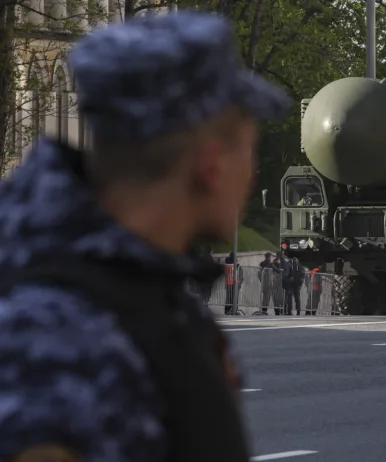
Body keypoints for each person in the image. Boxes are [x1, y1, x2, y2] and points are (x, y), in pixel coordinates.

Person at [0, 12, 290, 461]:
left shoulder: (130, 288)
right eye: (248, 151)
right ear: (210, 164)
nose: (251, 174)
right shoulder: (59, 340)